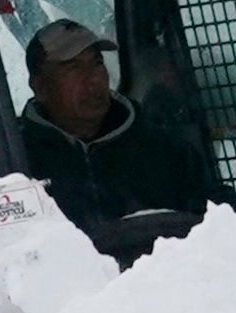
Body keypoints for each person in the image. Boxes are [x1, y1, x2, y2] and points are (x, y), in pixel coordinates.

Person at [15, 15, 215, 260]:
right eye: (73, 67)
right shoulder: (18, 164)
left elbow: (223, 218)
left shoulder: (163, 149)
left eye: (97, 63)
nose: (94, 78)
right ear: (40, 86)